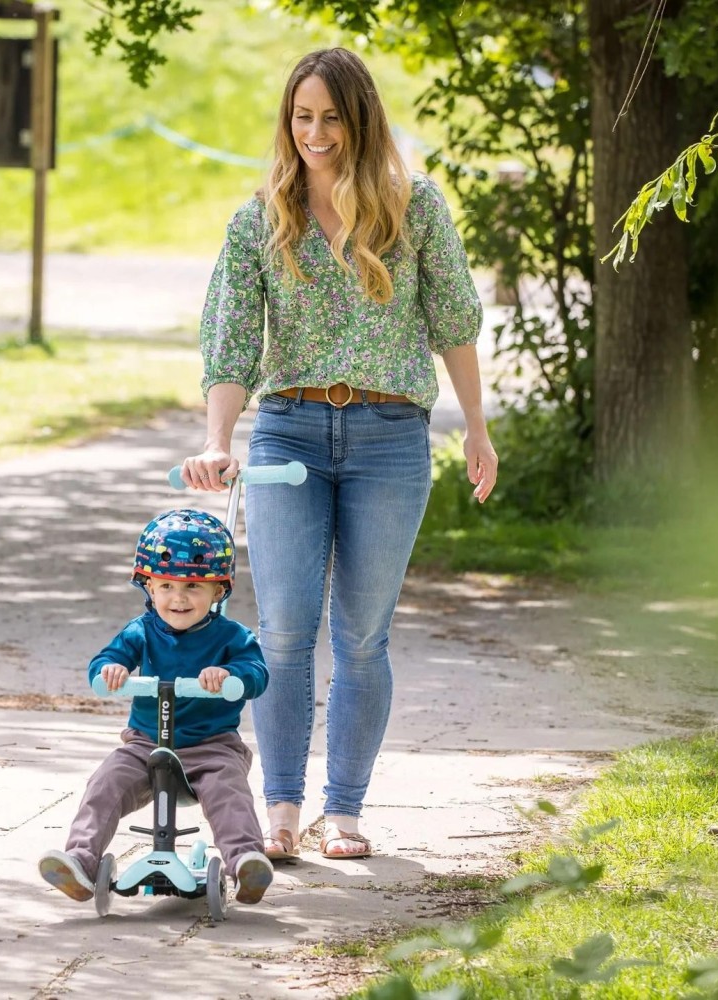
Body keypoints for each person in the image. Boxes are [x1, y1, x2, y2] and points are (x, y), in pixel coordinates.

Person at [180, 47, 498, 862]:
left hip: (391, 439)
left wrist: (478, 430)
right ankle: (280, 810)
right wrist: (218, 440)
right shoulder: (260, 219)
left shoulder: (414, 209)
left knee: (363, 636)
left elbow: (455, 323)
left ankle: (343, 810)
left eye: (330, 117)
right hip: (288, 432)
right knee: (284, 630)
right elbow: (230, 345)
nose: (314, 133)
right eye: (301, 116)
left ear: (360, 120)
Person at [38, 508, 274, 905]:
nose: (178, 598)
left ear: (219, 590)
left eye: (194, 588)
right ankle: (80, 859)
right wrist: (111, 669)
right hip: (145, 743)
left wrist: (230, 676)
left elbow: (256, 672)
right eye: (165, 585)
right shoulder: (140, 632)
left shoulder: (232, 636)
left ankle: (245, 862)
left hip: (211, 745)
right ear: (147, 586)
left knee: (227, 789)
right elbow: (103, 661)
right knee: (105, 783)